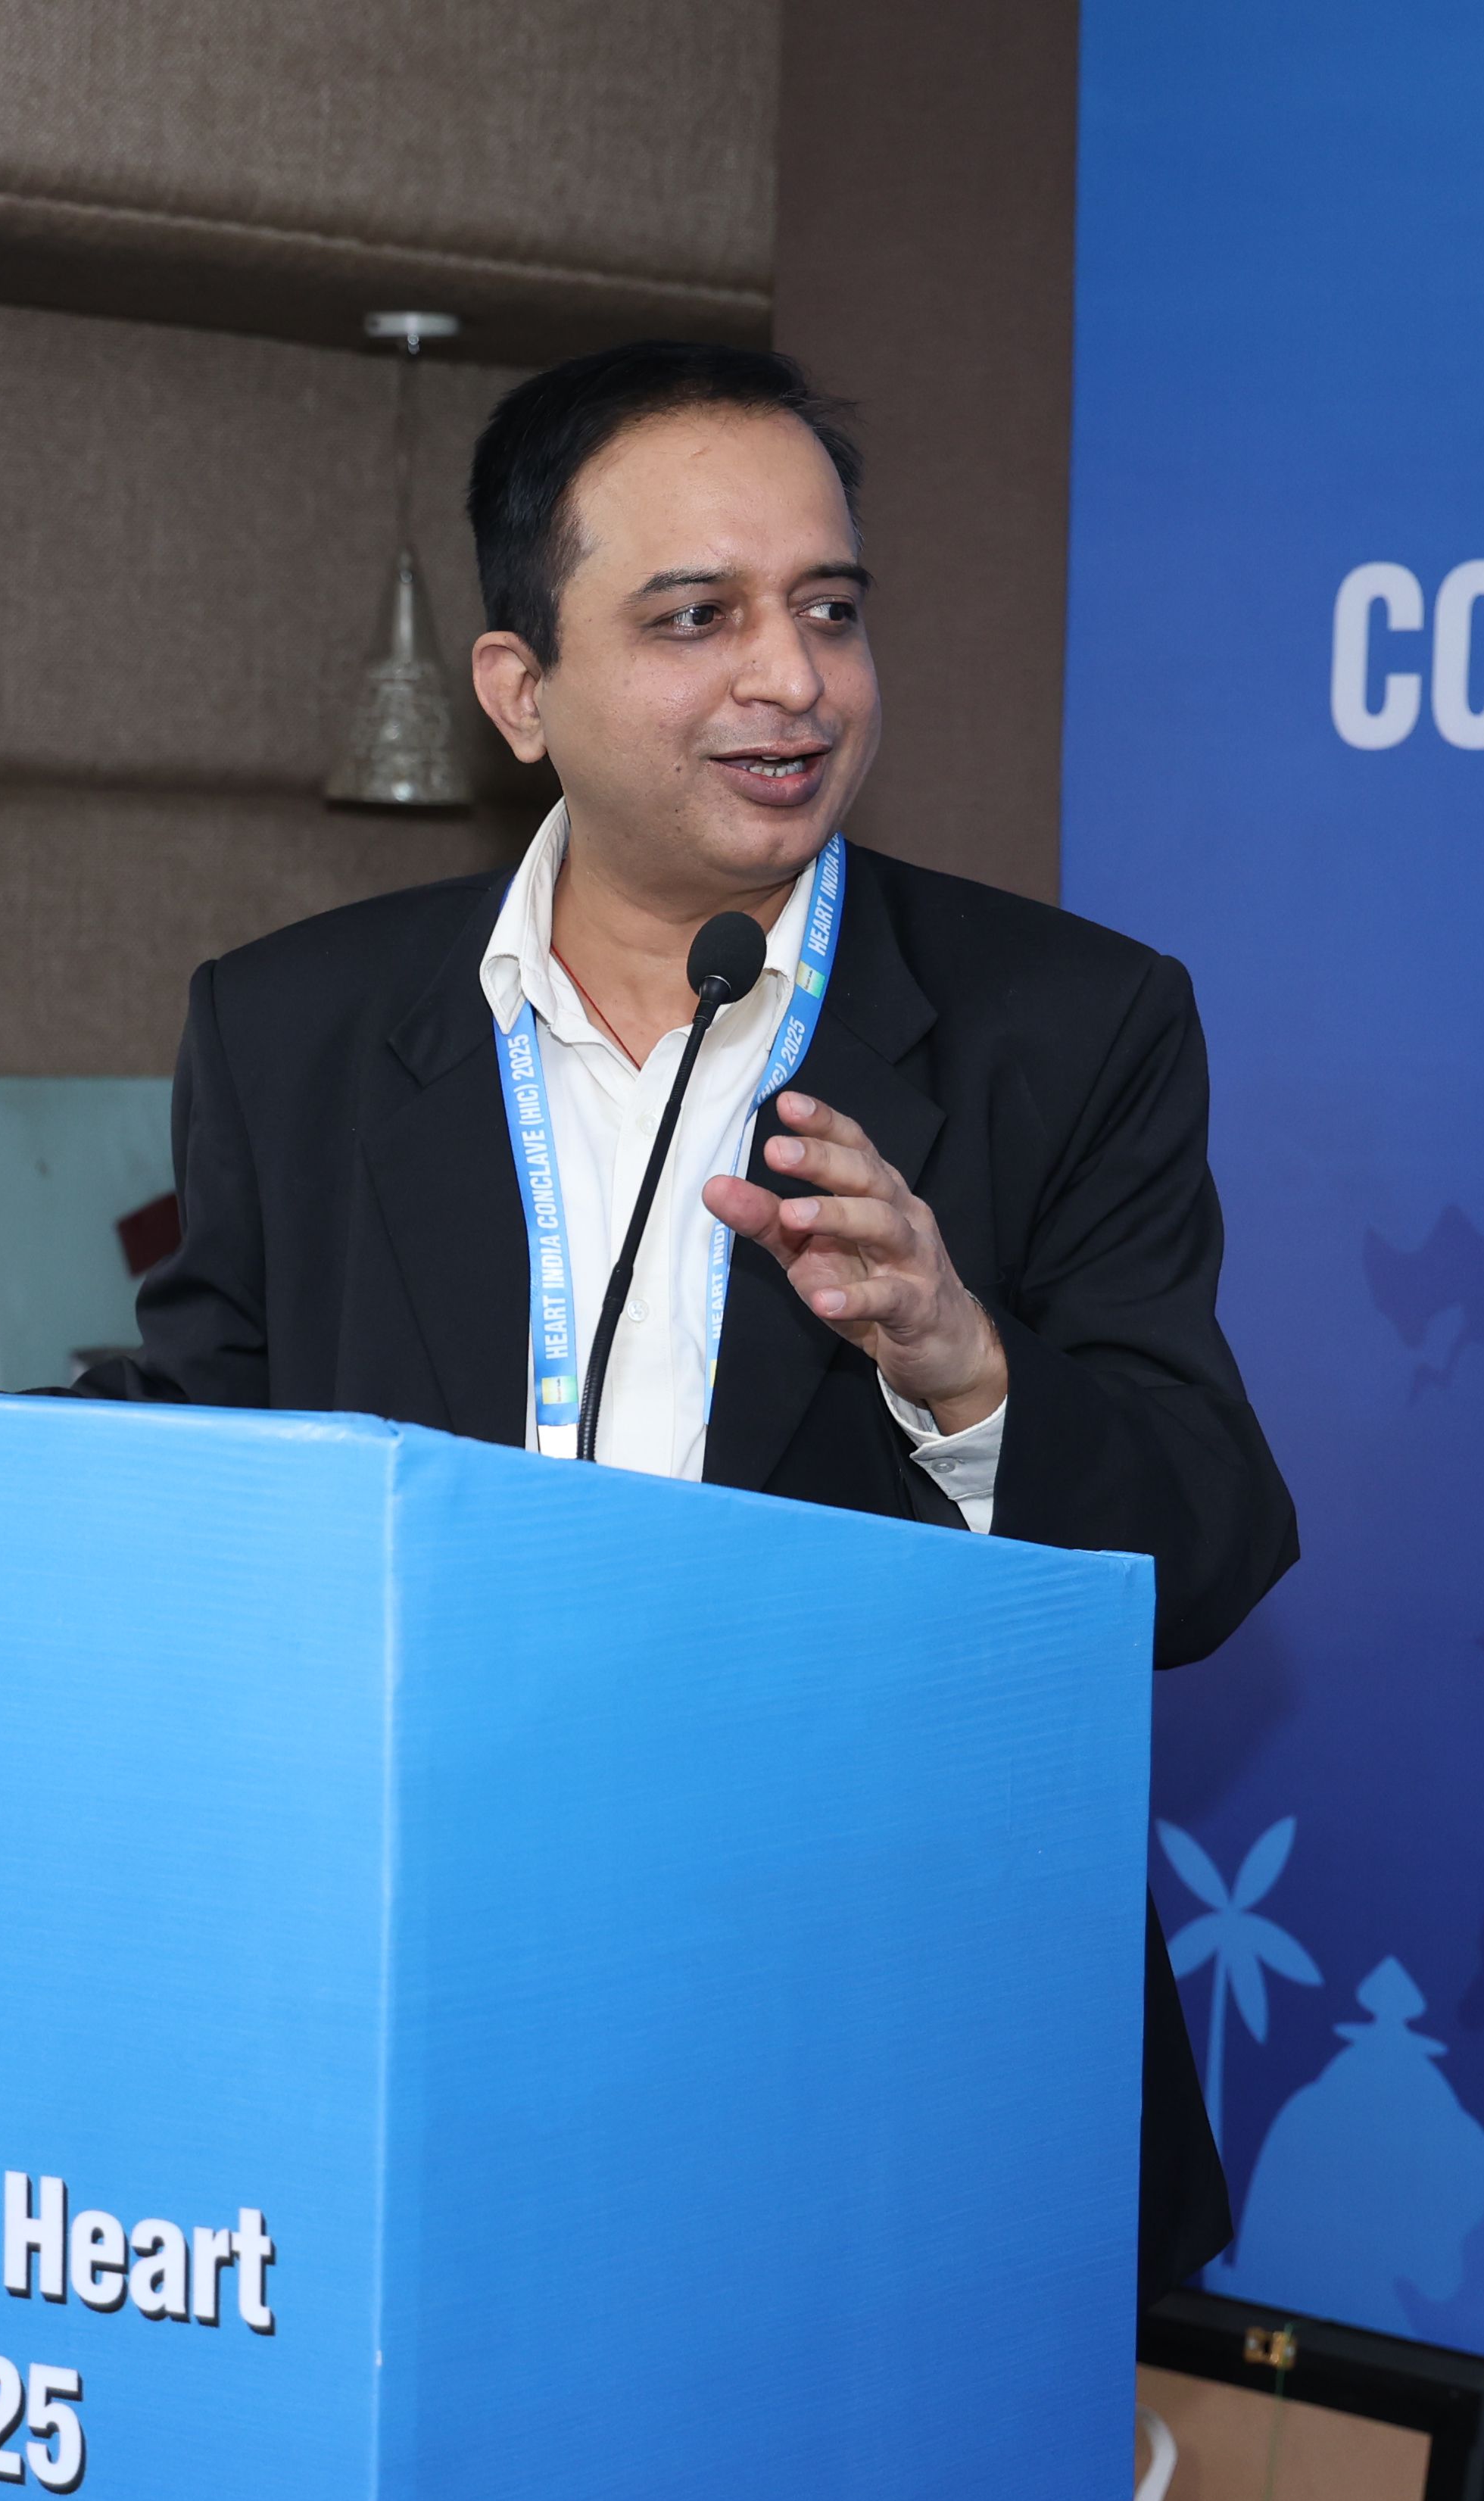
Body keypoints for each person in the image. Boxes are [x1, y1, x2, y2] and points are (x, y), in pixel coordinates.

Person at [76, 340, 1297, 2296]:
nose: (791, 679)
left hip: (896, 2081)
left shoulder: (1066, 1029)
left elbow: (1211, 1549)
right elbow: (213, 1484)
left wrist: (965, 1369)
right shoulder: (296, 1028)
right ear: (520, 691)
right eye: (696, 617)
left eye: (831, 609)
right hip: (423, 2034)